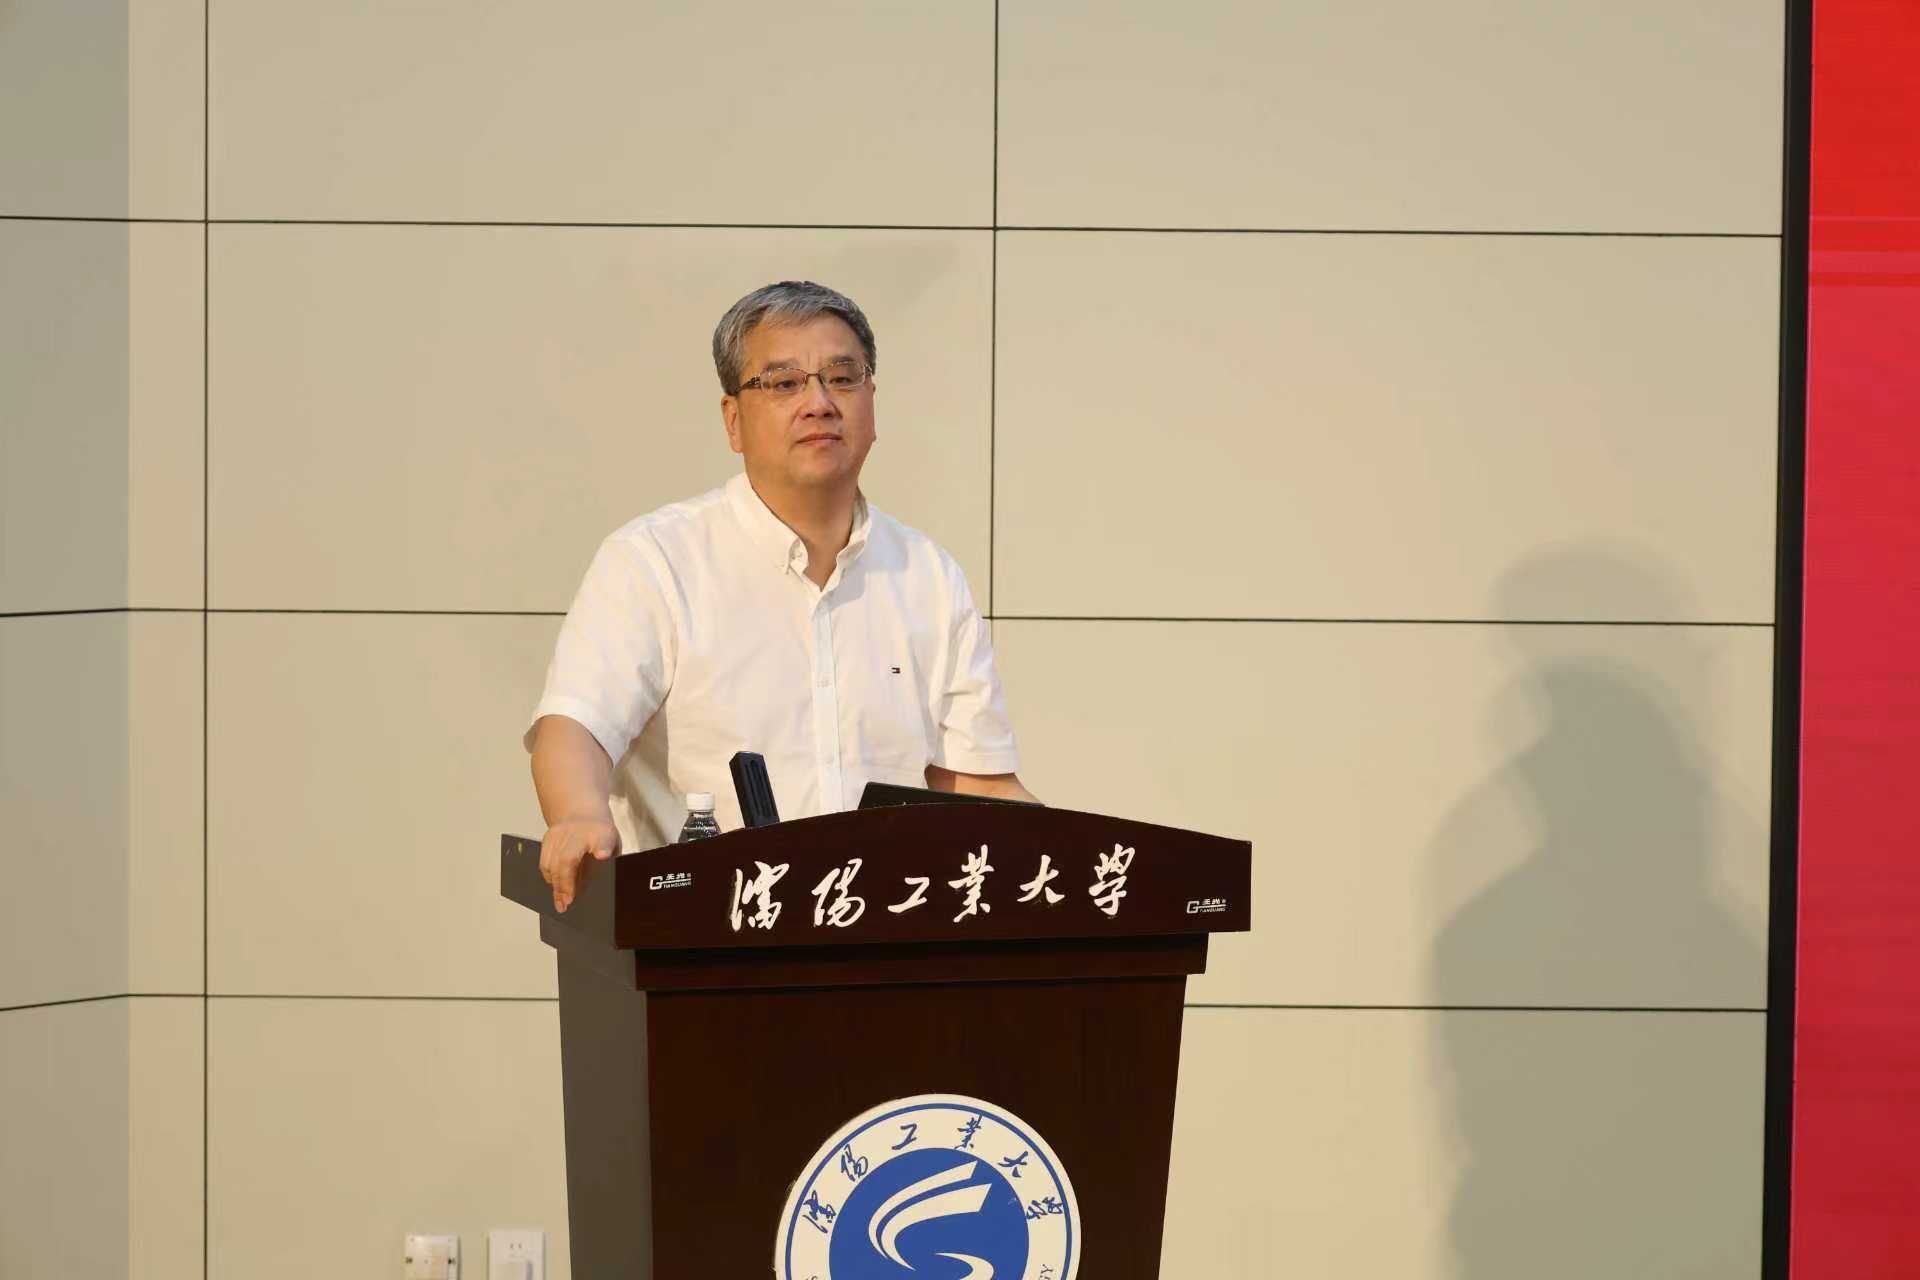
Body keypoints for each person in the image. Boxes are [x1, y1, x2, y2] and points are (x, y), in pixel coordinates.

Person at [527, 281, 1036, 911]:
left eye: (842, 379)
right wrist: (578, 814)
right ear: (733, 420)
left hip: (888, 937)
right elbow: (575, 726)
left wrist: (1092, 860)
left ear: (872, 402)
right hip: (700, 934)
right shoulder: (655, 560)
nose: (818, 403)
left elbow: (976, 784)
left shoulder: (928, 576)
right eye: (784, 383)